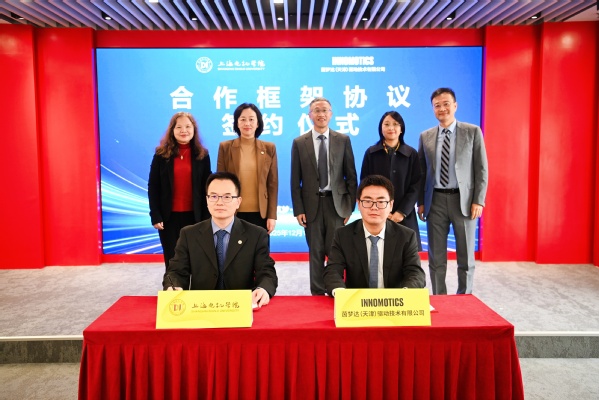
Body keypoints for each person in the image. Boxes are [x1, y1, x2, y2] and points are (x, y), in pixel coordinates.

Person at [162, 172, 277, 307]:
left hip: (240, 307)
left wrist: (263, 289)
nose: (219, 202)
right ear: (207, 200)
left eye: (227, 197)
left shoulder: (256, 235)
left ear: (238, 202)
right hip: (201, 307)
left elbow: (267, 272)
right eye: (214, 196)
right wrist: (173, 286)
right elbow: (175, 272)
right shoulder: (189, 234)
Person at [417, 87, 488, 295]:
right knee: (436, 257)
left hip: (463, 201)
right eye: (437, 105)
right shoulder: (426, 136)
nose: (442, 109)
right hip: (435, 201)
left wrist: (479, 200)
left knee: (465, 256)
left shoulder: (472, 132)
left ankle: (464, 297)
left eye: (446, 104)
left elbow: (481, 168)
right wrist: (421, 202)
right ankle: (440, 296)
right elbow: (422, 172)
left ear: (455, 106)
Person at [291, 97, 358, 295]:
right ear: (309, 115)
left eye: (325, 110)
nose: (321, 114)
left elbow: (351, 176)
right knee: (316, 252)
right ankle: (317, 294)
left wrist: (349, 207)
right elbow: (295, 180)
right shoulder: (299, 142)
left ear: (331, 114)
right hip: (311, 205)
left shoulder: (343, 140)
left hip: (336, 205)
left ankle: (336, 290)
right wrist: (299, 209)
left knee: (336, 251)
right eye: (316, 110)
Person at [323, 175, 426, 296]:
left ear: (391, 205)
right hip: (356, 302)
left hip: (394, 302)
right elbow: (333, 271)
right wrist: (341, 293)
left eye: (381, 202)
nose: (374, 207)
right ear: (359, 204)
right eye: (367, 201)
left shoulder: (406, 236)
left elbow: (415, 273)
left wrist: (404, 295)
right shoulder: (343, 235)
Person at [148, 111, 211, 268]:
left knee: (195, 260)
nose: (184, 130)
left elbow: (208, 188)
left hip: (195, 217)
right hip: (168, 218)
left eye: (188, 126)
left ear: (194, 129)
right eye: (179, 127)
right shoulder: (161, 155)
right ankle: (172, 284)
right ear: (172, 130)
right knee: (172, 259)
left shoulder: (202, 155)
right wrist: (155, 214)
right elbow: (153, 186)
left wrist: (207, 216)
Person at [360, 111, 422, 250]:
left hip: (405, 215)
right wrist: (382, 209)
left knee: (407, 253)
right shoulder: (371, 153)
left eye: (395, 124)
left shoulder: (411, 154)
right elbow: (365, 183)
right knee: (378, 252)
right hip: (377, 213)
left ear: (401, 129)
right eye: (386, 124)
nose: (391, 128)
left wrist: (402, 212)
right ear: (381, 128)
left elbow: (416, 185)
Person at [217, 103, 278, 234]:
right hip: (233, 212)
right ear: (237, 123)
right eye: (243, 119)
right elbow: (220, 183)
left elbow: (272, 184)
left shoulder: (269, 148)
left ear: (258, 123)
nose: (247, 123)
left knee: (259, 247)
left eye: (251, 119)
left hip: (261, 214)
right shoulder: (225, 147)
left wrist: (272, 215)